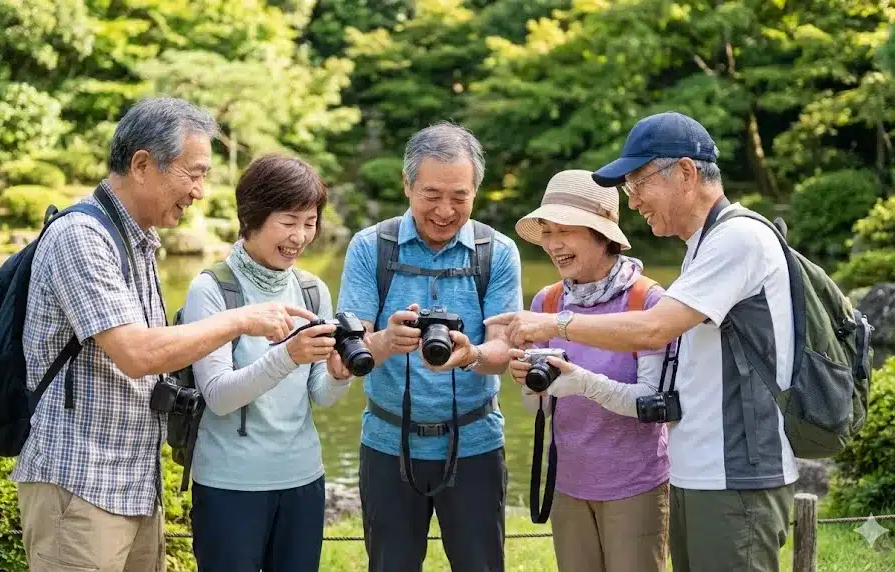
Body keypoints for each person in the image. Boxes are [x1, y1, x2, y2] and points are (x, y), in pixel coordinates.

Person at [10, 98, 316, 572]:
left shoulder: (136, 243)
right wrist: (242, 320)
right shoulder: (82, 236)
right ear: (142, 165)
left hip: (132, 486)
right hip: (79, 485)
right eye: (193, 174)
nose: (198, 191)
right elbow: (135, 353)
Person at [486, 111, 798, 572]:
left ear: (687, 173)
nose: (633, 202)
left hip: (738, 472)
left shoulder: (739, 239)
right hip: (700, 470)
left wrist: (555, 326)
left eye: (638, 184)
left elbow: (654, 328)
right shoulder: (701, 248)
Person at [336, 121, 523, 572]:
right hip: (388, 442)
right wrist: (384, 341)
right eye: (431, 195)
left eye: (459, 197)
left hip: (475, 443)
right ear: (407, 185)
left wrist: (472, 354)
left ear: (476, 191)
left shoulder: (495, 252)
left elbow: (503, 352)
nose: (445, 209)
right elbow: (349, 351)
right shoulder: (371, 248)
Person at [181, 154, 354, 572]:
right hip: (229, 485)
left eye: (309, 222)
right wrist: (288, 356)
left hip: (302, 480)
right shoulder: (212, 289)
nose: (300, 236)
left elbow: (320, 397)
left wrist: (338, 374)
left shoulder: (312, 290)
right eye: (288, 221)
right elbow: (219, 396)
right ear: (252, 216)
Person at [507, 169, 670, 572]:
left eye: (566, 230)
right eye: (547, 231)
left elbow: (653, 403)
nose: (553, 245)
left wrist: (581, 382)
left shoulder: (646, 302)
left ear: (603, 234)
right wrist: (529, 385)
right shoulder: (546, 301)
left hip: (636, 486)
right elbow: (538, 411)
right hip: (568, 483)